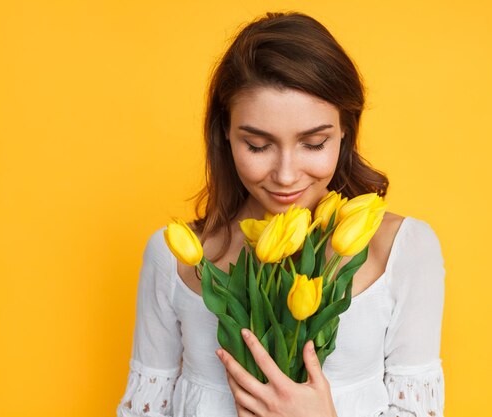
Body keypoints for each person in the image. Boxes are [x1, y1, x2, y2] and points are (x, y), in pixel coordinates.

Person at [117, 11, 446, 417]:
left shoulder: (402, 249)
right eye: (258, 146)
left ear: (346, 129)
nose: (286, 176)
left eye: (313, 143)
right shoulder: (174, 258)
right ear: (224, 131)